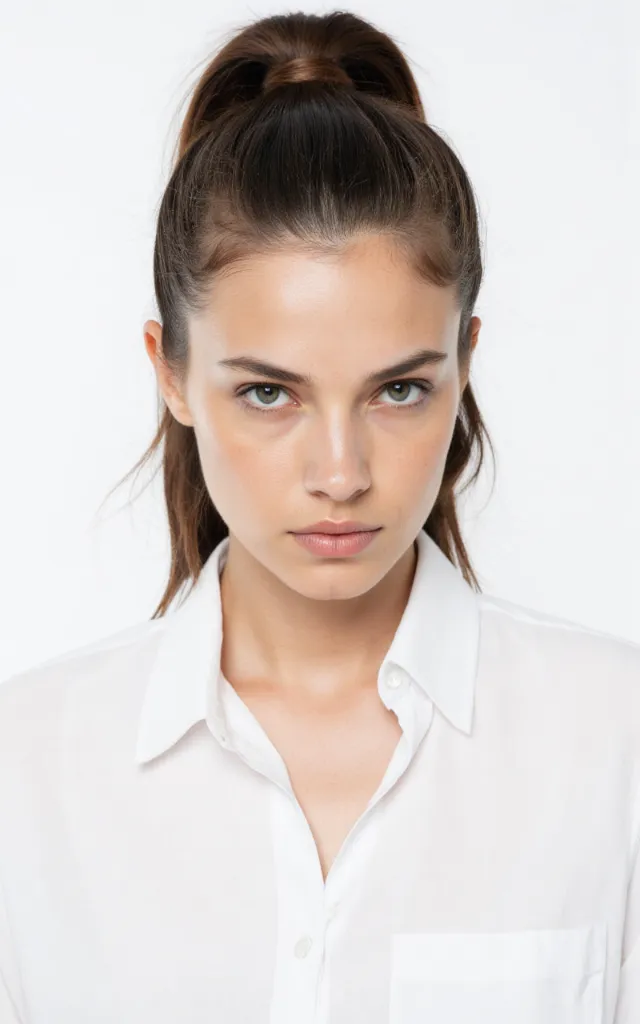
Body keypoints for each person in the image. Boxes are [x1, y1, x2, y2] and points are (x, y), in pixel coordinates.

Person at [0, 8, 638, 1023]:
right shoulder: (26, 771)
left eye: (399, 390)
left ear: (465, 362)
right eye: (269, 393)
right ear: (170, 372)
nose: (340, 474)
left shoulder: (614, 743)